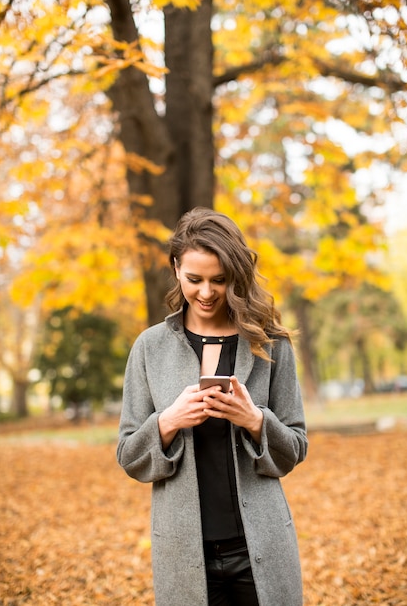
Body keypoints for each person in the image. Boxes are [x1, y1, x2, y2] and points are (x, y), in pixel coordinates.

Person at [117, 207, 308, 606]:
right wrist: (168, 421)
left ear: (237, 275)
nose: (206, 292)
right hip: (184, 558)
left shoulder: (271, 344)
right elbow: (129, 456)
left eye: (219, 280)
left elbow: (294, 448)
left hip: (262, 551)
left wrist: (255, 420)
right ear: (175, 269)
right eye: (194, 279)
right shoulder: (149, 348)